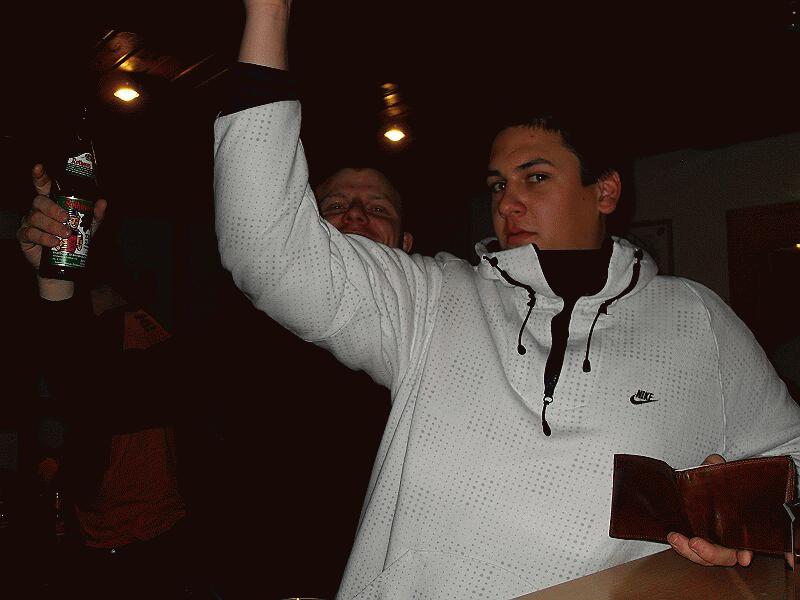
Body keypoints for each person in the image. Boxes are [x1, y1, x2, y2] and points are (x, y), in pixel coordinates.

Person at [215, 4, 800, 598]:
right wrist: (268, 13)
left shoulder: (696, 317)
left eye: (534, 177)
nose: (507, 202)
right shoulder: (431, 297)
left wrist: (738, 517)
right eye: (498, 184)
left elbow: (790, 459)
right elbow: (265, 248)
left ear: (604, 191)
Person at [17, 165, 201, 600]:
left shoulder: (142, 323)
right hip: (116, 527)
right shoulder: (119, 325)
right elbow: (83, 393)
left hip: (156, 524)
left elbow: (106, 399)